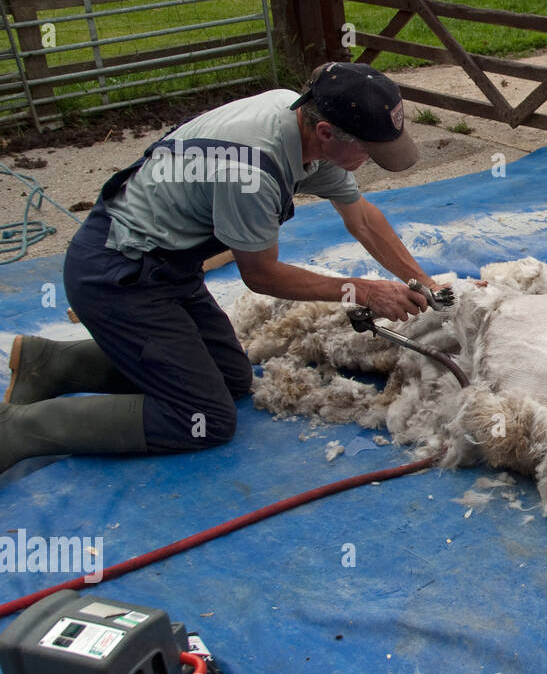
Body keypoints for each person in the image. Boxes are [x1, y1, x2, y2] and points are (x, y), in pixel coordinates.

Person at [2, 61, 440, 475]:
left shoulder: (300, 118)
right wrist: (362, 292)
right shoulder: (251, 168)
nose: (369, 160)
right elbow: (261, 275)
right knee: (202, 416)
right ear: (327, 132)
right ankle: (19, 429)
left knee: (232, 379)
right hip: (119, 275)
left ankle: (51, 364)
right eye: (367, 150)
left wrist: (421, 280)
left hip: (169, 265)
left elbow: (361, 216)